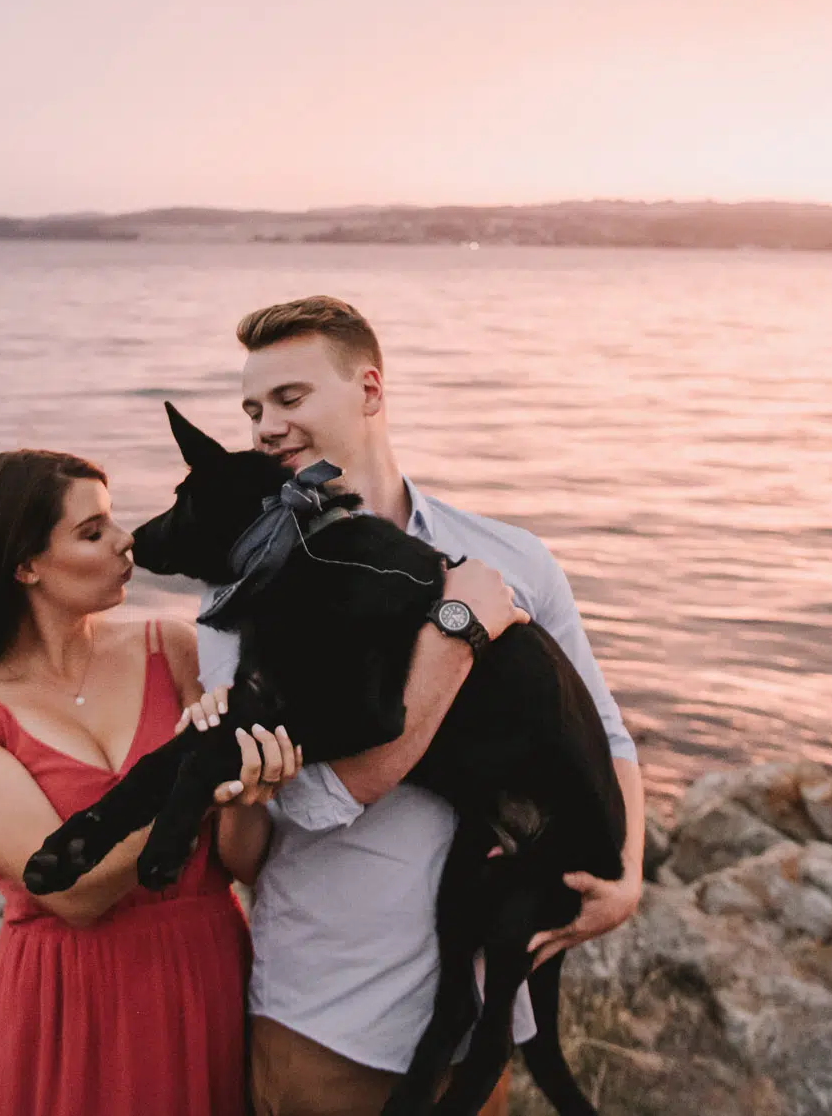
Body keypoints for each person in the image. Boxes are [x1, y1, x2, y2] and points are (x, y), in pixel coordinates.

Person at [182, 297, 646, 1116]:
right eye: (253, 409)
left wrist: (627, 875)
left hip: (478, 1027)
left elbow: (606, 732)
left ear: (369, 390)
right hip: (330, 1019)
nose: (264, 427)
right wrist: (454, 630)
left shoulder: (515, 557)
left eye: (290, 398)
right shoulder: (245, 595)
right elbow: (312, 800)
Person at [0, 449, 301, 1116]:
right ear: (26, 565)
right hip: (65, 1001)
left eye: (113, 522)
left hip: (204, 973)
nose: (125, 540)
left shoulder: (175, 648)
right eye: (93, 532)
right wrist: (192, 776)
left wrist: (250, 788)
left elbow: (240, 857)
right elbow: (71, 892)